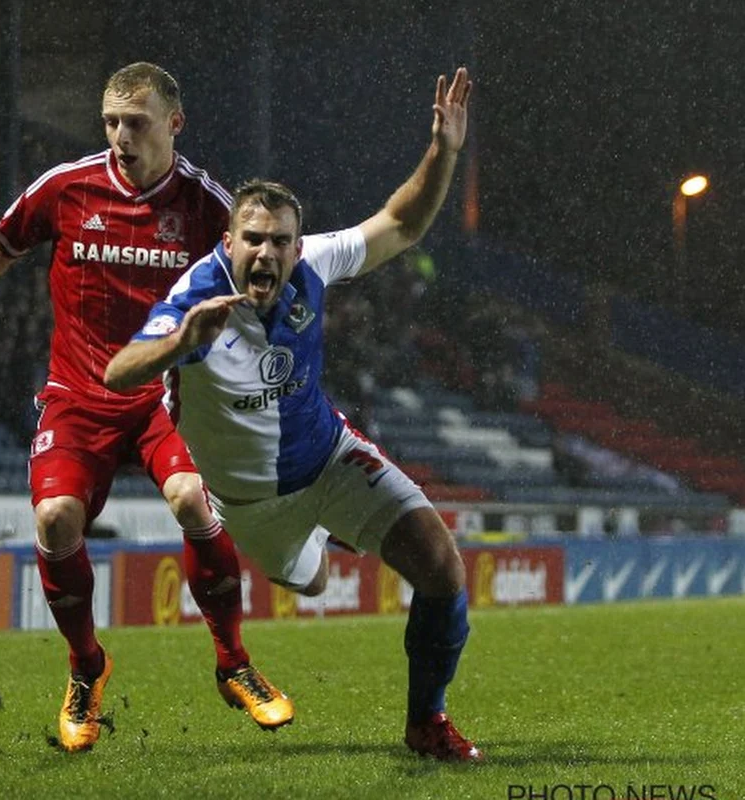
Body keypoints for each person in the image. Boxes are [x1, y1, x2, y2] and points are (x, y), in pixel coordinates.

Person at [0, 62, 292, 752]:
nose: (121, 136)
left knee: (189, 500)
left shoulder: (211, 208)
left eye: (137, 123)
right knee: (56, 519)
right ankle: (86, 666)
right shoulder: (66, 188)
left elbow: (266, 285)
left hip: (164, 399)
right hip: (78, 398)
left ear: (174, 125)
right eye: (112, 122)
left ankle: (233, 662)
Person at [105, 68, 482, 762]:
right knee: (311, 581)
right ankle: (321, 547)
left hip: (331, 457)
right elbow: (118, 370)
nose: (267, 253)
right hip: (253, 504)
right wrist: (180, 342)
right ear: (229, 243)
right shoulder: (195, 299)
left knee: (442, 566)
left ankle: (426, 721)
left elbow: (400, 223)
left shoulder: (313, 265)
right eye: (253, 239)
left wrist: (444, 151)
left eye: (280, 241)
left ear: (294, 246)